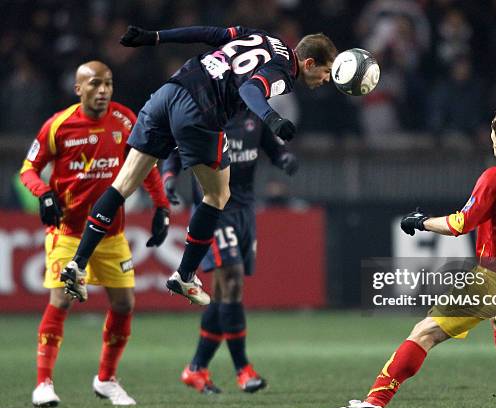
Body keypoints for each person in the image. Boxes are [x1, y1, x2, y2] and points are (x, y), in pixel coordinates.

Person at [324, 104, 496, 408]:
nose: (491, 139)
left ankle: (374, 402)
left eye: (493, 132)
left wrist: (421, 222)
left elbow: (460, 224)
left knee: (424, 332)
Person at [60, 24, 337, 306]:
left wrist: (155, 37)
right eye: (326, 72)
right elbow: (251, 90)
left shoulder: (262, 36)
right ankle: (185, 275)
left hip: (170, 90)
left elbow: (209, 34)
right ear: (309, 63)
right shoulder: (285, 72)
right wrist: (273, 118)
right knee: (218, 195)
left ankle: (77, 264)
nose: (326, 80)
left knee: (123, 184)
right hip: (201, 108)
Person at [20, 61, 171, 407]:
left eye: (108, 84)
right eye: (95, 84)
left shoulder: (124, 120)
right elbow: (28, 169)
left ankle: (106, 379)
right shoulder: (57, 125)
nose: (103, 90)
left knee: (124, 303)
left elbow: (144, 164)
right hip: (68, 232)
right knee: (61, 300)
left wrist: (162, 206)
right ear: (79, 89)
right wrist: (43, 192)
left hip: (112, 233)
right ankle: (43, 383)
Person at [163, 110, 298, 394]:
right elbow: (175, 150)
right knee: (233, 278)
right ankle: (243, 369)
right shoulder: (204, 113)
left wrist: (283, 158)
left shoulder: (254, 115)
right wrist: (169, 178)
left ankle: (196, 368)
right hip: (214, 209)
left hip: (245, 211)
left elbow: (273, 148)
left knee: (224, 291)